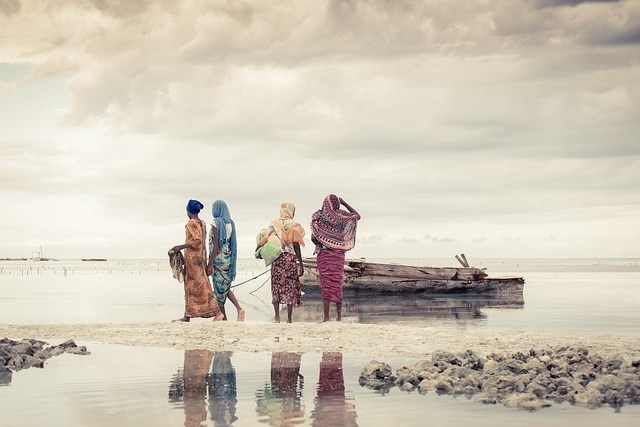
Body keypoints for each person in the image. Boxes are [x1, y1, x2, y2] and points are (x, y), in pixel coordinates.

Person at [170, 199, 224, 322]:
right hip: (201, 257)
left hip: (193, 260)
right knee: (194, 286)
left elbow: (197, 240)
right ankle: (187, 315)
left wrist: (180, 247)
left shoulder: (191, 223)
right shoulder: (202, 223)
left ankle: (217, 312)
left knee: (201, 286)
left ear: (188, 211)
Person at [310, 195, 361, 322]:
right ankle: (338, 317)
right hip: (338, 256)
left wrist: (323, 241)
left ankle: (326, 317)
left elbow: (313, 237)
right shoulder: (342, 217)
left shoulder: (319, 216)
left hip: (324, 255)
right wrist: (344, 202)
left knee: (326, 285)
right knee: (337, 284)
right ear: (337, 204)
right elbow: (357, 216)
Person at [258, 202, 305, 323]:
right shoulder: (294, 225)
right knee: (290, 287)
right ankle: (289, 318)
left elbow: (266, 238)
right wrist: (300, 263)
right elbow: (296, 245)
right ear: (291, 211)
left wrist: (258, 249)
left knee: (276, 286)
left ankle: (277, 317)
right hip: (290, 260)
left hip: (277, 259)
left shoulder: (274, 224)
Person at [207, 199, 245, 321]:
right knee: (224, 288)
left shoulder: (215, 222)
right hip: (228, 259)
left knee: (219, 291)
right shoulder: (230, 224)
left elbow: (216, 245)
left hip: (218, 259)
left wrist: (210, 263)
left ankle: (223, 316)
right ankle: (238, 310)